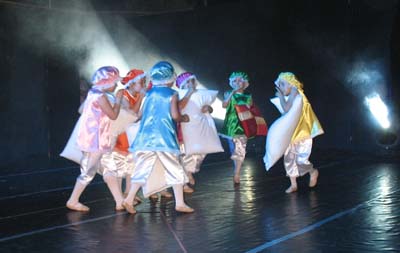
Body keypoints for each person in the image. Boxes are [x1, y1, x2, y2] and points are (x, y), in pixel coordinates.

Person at [123, 61, 194, 214]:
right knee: (175, 169)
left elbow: (140, 115)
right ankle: (180, 203)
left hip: (145, 138)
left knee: (142, 169)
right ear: (170, 78)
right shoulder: (172, 94)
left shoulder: (147, 93)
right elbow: (175, 115)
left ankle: (128, 199)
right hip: (164, 138)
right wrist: (184, 118)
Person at [66, 66, 124, 212]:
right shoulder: (100, 96)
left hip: (100, 140)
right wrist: (118, 100)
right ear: (107, 82)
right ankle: (73, 200)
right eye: (114, 82)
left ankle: (119, 201)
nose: (116, 85)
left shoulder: (93, 93)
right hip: (95, 141)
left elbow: (82, 110)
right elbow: (113, 115)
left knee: (110, 169)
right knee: (88, 172)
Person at [270, 72, 324, 193]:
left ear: (290, 83)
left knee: (300, 159)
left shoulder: (295, 91)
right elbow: (287, 114)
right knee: (289, 158)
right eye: (279, 85)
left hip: (302, 133)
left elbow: (287, 108)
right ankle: (293, 184)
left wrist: (280, 97)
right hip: (292, 132)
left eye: (282, 84)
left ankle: (312, 171)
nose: (280, 88)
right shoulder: (290, 95)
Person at [176, 72, 223, 193]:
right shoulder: (178, 95)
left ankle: (189, 172)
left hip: (200, 127)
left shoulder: (202, 95)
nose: (190, 84)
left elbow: (209, 107)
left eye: (191, 81)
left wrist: (208, 108)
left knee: (200, 153)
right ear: (181, 85)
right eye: (186, 82)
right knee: (185, 155)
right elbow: (178, 108)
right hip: (184, 128)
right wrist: (189, 93)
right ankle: (184, 183)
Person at [221, 72, 253, 184]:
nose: (237, 83)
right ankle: (237, 169)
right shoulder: (228, 93)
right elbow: (224, 105)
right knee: (233, 149)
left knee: (240, 148)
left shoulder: (248, 96)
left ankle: (237, 174)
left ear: (244, 83)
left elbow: (250, 110)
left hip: (242, 125)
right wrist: (232, 93)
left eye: (239, 80)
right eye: (234, 81)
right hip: (230, 125)